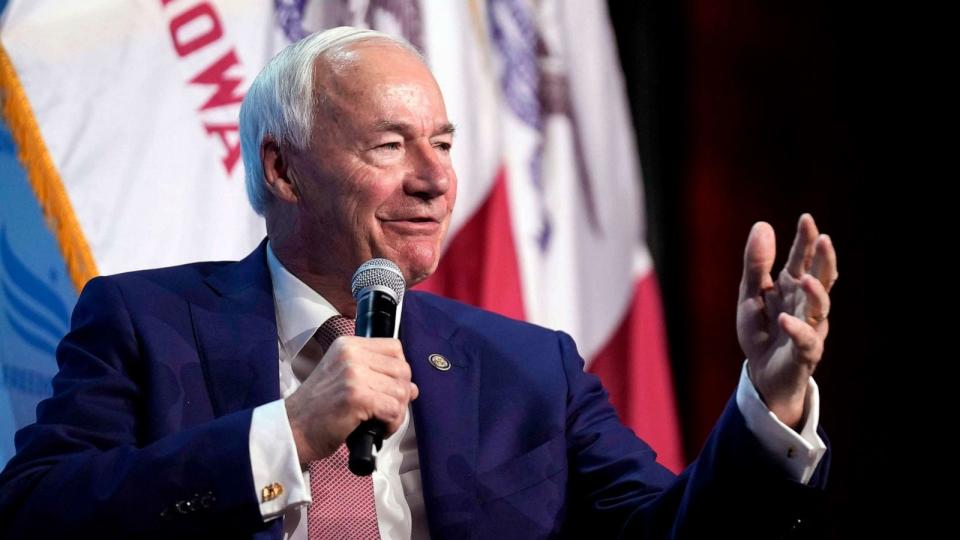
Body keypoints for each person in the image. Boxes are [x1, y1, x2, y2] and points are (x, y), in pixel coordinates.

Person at [0, 27, 837, 539]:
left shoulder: (529, 371)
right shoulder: (145, 323)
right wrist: (286, 433)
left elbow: (675, 533)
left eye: (444, 143)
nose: (437, 181)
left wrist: (768, 407)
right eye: (391, 146)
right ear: (283, 169)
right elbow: (38, 515)